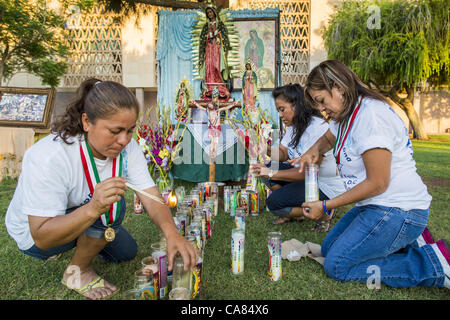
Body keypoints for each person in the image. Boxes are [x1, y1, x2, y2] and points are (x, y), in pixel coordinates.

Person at [5, 78, 198, 299]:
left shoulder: (128, 147)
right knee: (111, 205)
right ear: (86, 122)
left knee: (126, 252)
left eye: (130, 130)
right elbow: (42, 237)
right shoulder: (48, 157)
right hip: (35, 235)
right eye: (115, 131)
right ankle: (77, 272)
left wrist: (173, 233)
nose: (124, 140)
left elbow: (151, 196)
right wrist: (93, 208)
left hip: (80, 212)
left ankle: (85, 237)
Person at [290, 60, 449, 288]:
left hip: (397, 209)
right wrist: (311, 152)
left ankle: (434, 263)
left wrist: (326, 206)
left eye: (322, 101)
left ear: (338, 88)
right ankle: (412, 242)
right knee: (327, 249)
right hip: (375, 206)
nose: (322, 110)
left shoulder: (371, 116)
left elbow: (378, 183)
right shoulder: (346, 114)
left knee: (337, 265)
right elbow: (327, 139)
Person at [250, 84, 346, 230]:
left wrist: (270, 173)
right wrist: (266, 150)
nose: (280, 115)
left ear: (296, 106)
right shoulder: (294, 126)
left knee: (273, 204)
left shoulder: (317, 128)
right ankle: (298, 209)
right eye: (278, 111)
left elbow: (306, 173)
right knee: (267, 168)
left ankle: (324, 211)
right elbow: (283, 154)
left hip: (324, 186)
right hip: (306, 179)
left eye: (282, 110)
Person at [191, 87, 238, 160]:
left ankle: (213, 154)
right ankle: (211, 155)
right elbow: (200, 107)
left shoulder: (218, 111)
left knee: (215, 142)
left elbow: (226, 108)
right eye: (209, 105)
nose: (210, 105)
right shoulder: (207, 111)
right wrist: (195, 103)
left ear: (213, 106)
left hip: (217, 128)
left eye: (211, 104)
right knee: (212, 142)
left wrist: (233, 105)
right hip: (211, 128)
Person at [198, 6, 232, 100]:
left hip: (217, 49)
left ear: (214, 12)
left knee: (216, 66)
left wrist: (218, 34)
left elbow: (225, 39)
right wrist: (207, 36)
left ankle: (219, 86)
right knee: (209, 67)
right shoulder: (206, 26)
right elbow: (202, 40)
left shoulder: (220, 24)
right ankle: (209, 87)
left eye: (211, 12)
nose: (209, 14)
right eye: (208, 12)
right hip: (209, 49)